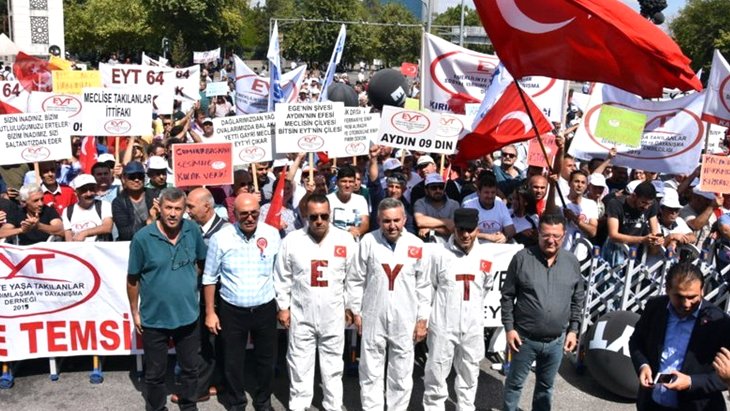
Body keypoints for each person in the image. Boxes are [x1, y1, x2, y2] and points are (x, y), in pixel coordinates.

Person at [126, 188, 208, 411]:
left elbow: (201, 262)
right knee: (155, 374)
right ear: (159, 208)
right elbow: (133, 279)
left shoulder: (193, 230)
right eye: (168, 208)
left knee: (191, 369)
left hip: (188, 315)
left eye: (178, 209)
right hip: (154, 318)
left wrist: (186, 282)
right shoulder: (142, 238)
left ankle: (189, 405)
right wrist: (135, 311)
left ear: (184, 211)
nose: (173, 213)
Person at [346, 197, 432, 410]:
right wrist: (356, 310)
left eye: (396, 220)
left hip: (405, 318)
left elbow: (424, 286)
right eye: (386, 221)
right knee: (370, 370)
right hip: (373, 315)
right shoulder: (368, 242)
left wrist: (422, 319)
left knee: (401, 372)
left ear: (404, 219)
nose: (392, 225)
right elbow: (355, 278)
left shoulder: (416, 245)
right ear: (378, 221)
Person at [274, 194, 357, 411]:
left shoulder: (345, 240)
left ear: (330, 215)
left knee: (333, 365)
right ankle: (298, 405)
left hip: (334, 314)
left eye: (324, 216)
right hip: (301, 314)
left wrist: (350, 306)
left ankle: (333, 405)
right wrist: (283, 307)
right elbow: (282, 276)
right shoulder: (292, 241)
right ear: (305, 217)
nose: (319, 221)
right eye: (313, 217)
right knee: (299, 363)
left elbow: (353, 277)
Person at [422, 208, 508, 410]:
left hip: (473, 326)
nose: (466, 234)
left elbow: (485, 288)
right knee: (436, 372)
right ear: (454, 229)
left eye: (470, 229)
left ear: (477, 229)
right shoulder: (439, 254)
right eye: (461, 229)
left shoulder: (485, 257)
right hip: (443, 324)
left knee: (469, 372)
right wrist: (425, 319)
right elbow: (427, 288)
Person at [202, 193, 281, 411]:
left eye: (254, 213)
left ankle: (263, 401)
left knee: (266, 360)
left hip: (264, 307)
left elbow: (281, 273)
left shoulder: (272, 234)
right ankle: (237, 402)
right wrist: (210, 311)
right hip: (232, 310)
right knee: (233, 361)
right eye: (243, 213)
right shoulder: (221, 238)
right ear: (234, 214)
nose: (249, 218)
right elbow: (209, 277)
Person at [501, 213, 585, 411]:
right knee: (514, 385)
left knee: (545, 388)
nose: (551, 240)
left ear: (564, 236)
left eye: (556, 236)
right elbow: (507, 296)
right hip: (524, 339)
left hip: (556, 341)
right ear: (538, 233)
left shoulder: (572, 262)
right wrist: (509, 328)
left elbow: (577, 299)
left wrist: (573, 330)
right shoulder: (521, 259)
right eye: (546, 235)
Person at [629, 262, 730, 411]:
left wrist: (691, 382)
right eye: (679, 296)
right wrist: (643, 365)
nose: (686, 304)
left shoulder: (718, 322)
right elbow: (636, 341)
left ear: (702, 291)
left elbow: (726, 375)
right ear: (667, 289)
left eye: (692, 297)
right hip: (651, 404)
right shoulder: (655, 307)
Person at [184, 187, 229, 401]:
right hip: (197, 297)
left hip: (220, 297)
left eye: (191, 206)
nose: (187, 211)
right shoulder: (191, 228)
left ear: (207, 206)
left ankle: (206, 387)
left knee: (214, 342)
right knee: (204, 341)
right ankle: (212, 383)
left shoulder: (226, 231)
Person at [463, 172, 515, 243]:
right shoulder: (469, 206)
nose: (490, 196)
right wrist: (488, 236)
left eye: (493, 192)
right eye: (486, 192)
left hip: (498, 245)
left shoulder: (500, 204)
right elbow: (465, 233)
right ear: (478, 192)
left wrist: (505, 236)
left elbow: (510, 229)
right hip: (475, 245)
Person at [112, 161, 158, 241]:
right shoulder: (118, 202)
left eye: (140, 176)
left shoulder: (155, 195)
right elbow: (125, 233)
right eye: (132, 176)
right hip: (131, 243)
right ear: (124, 179)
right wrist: (148, 221)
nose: (136, 180)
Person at [62, 174, 113, 242]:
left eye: (92, 189)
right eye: (84, 190)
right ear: (75, 192)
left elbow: (107, 227)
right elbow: (68, 237)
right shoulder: (67, 211)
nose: (89, 193)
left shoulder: (104, 205)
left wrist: (84, 233)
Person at [413, 173, 459, 243]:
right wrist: (446, 222)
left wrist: (431, 228)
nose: (438, 190)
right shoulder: (420, 203)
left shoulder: (454, 204)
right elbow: (420, 221)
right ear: (426, 190)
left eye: (441, 187)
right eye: (433, 188)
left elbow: (454, 229)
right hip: (427, 245)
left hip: (449, 245)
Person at [326, 165, 369, 239]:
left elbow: (365, 223)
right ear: (337, 182)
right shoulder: (328, 200)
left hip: (354, 242)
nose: (347, 185)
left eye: (351, 182)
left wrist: (358, 231)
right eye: (344, 181)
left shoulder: (361, 200)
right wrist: (344, 235)